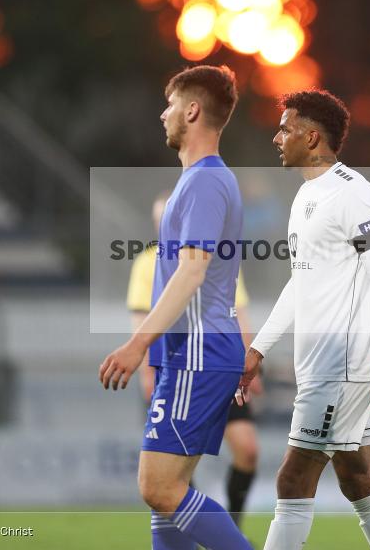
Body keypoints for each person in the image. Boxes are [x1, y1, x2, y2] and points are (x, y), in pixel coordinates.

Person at [237, 90, 370, 550]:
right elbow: (301, 284)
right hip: (323, 362)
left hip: (343, 363)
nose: (277, 136)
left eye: (286, 127)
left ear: (312, 137)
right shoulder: (305, 196)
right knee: (357, 477)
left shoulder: (354, 193)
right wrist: (258, 348)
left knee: (293, 478)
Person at [100, 65, 252, 550]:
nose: (163, 113)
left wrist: (136, 344)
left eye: (170, 104)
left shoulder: (205, 182)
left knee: (159, 487)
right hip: (194, 355)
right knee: (168, 493)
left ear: (191, 110)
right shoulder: (198, 181)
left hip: (199, 354)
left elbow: (192, 272)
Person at [127, 192, 262, 529]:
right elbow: (142, 317)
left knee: (248, 450)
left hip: (219, 365)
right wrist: (147, 370)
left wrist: (250, 358)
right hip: (176, 369)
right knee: (173, 472)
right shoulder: (147, 262)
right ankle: (202, 532)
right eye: (161, 221)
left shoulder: (220, 258)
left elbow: (239, 312)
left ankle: (231, 526)